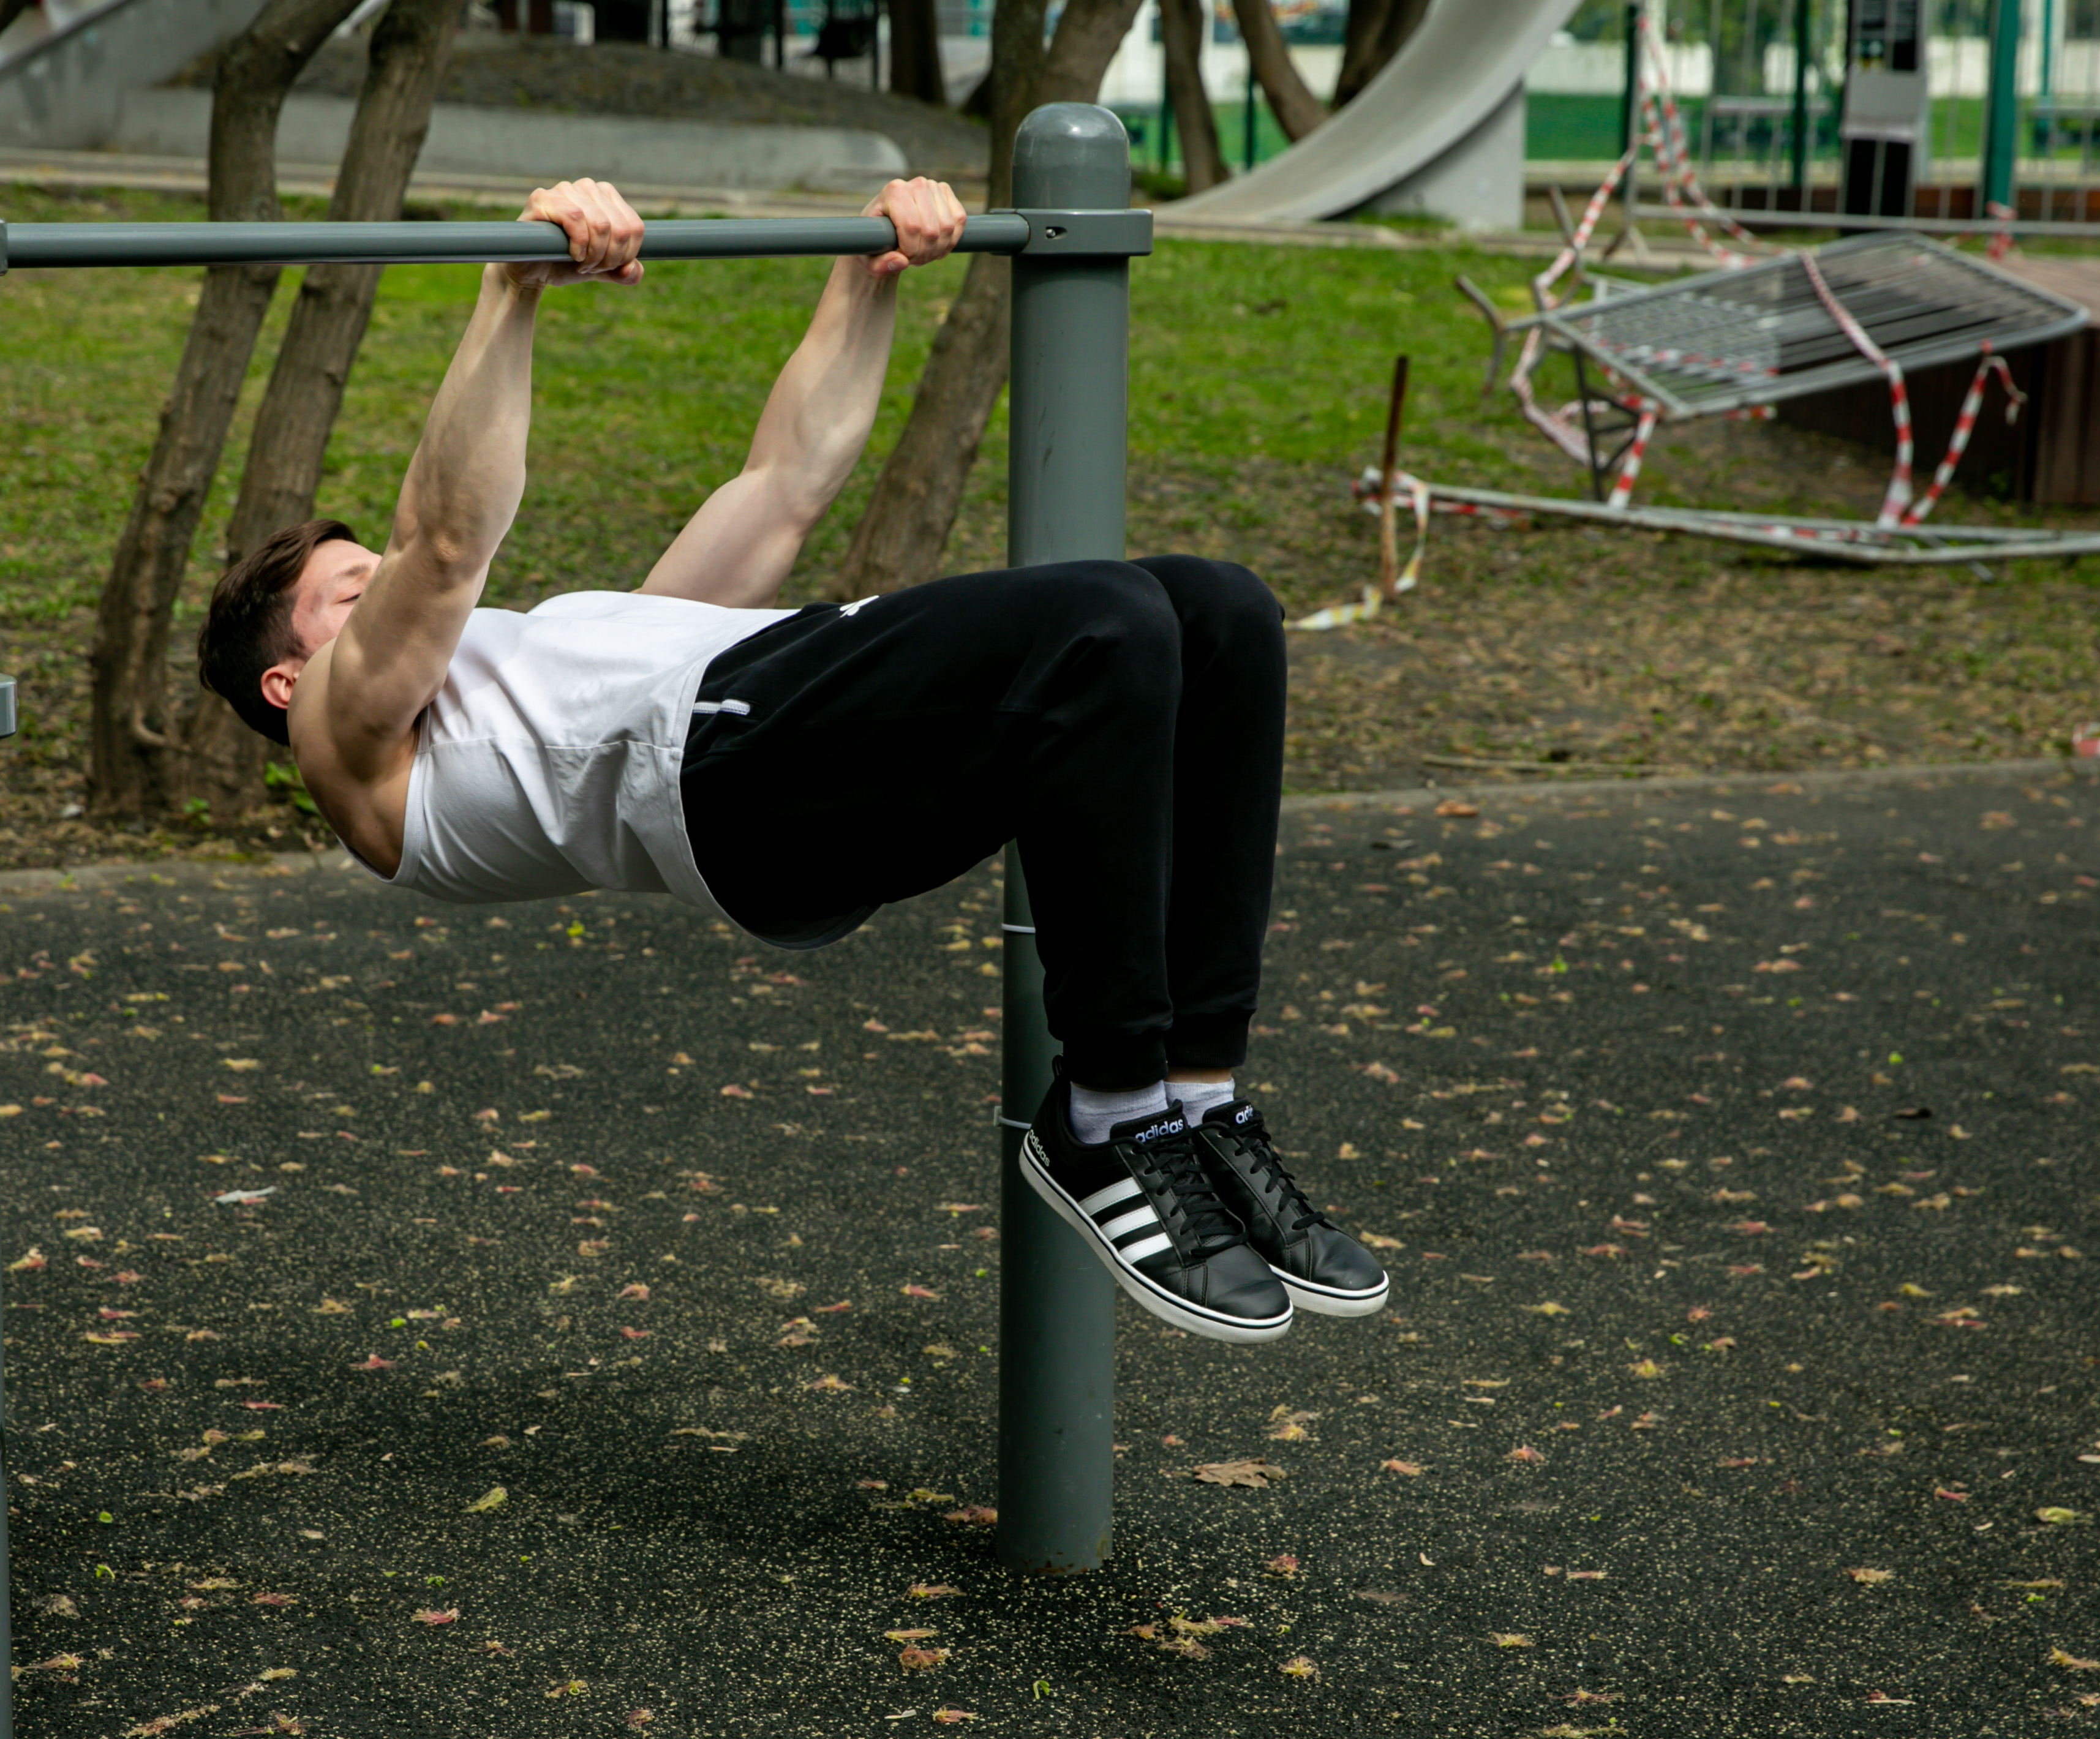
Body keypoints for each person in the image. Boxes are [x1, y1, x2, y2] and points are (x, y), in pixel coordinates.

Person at [195, 177, 1390, 1345]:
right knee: (1106, 622)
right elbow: (445, 541)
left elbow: (783, 488)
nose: (384, 593)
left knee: (1220, 613)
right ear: (286, 680)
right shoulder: (342, 741)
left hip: (774, 737)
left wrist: (866, 273)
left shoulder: (572, 645)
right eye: (350, 592)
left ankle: (1198, 1093)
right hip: (731, 775)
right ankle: (1107, 1112)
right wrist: (509, 290)